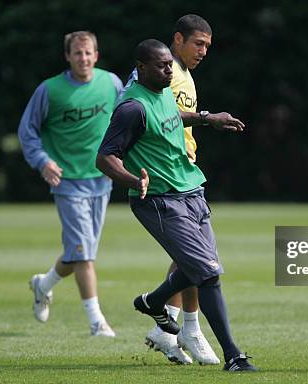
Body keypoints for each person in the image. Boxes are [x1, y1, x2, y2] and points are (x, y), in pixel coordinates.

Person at [96, 39, 257, 372]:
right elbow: (105, 157)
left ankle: (153, 302)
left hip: (191, 188)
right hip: (160, 200)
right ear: (141, 68)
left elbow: (171, 114)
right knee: (208, 272)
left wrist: (206, 118)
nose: (169, 69)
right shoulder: (132, 108)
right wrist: (131, 181)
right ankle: (234, 357)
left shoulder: (163, 92)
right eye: (161, 65)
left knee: (199, 266)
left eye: (170, 64)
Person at [120, 14, 218, 365]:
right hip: (164, 178)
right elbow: (135, 109)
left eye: (208, 45)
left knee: (187, 257)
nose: (204, 51)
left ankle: (168, 329)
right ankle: (186, 328)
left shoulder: (186, 75)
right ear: (178, 39)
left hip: (184, 174)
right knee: (194, 258)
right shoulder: (161, 71)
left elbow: (174, 117)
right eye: (198, 44)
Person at [18, 31, 124, 337]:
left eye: (88, 52)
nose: (83, 58)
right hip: (67, 182)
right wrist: (43, 161)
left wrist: (117, 159)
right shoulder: (49, 90)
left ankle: (44, 284)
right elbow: (27, 132)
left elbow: (125, 121)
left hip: (101, 181)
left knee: (79, 252)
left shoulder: (112, 84)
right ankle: (97, 322)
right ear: (68, 57)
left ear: (96, 54)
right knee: (85, 255)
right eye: (77, 53)